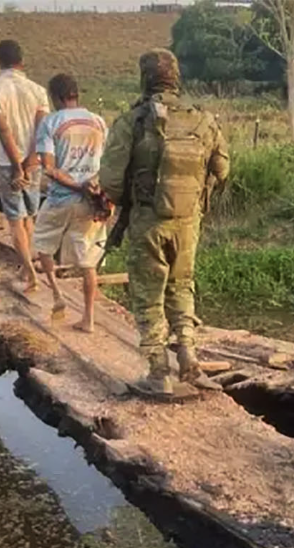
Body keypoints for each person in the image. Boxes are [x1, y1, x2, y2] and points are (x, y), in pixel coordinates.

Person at [99, 48, 229, 396]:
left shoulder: (133, 121)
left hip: (148, 219)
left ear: (144, 78)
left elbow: (110, 181)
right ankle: (188, 360)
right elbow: (223, 168)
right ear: (177, 78)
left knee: (147, 293)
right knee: (182, 285)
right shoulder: (202, 120)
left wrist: (130, 196)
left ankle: (159, 372)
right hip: (188, 221)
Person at [34, 73, 108, 333]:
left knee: (42, 243)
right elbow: (106, 163)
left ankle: (56, 295)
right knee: (88, 261)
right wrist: (92, 188)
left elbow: (50, 168)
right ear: (76, 94)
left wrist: (76, 185)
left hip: (59, 199)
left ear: (56, 97)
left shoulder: (50, 123)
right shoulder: (98, 122)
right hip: (91, 203)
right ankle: (88, 318)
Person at [0, 39, 50, 292]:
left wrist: (16, 166)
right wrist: (31, 160)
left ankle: (29, 272)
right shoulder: (38, 90)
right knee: (29, 216)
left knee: (14, 219)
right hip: (34, 163)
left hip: (7, 163)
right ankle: (27, 264)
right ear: (22, 61)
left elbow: (3, 128)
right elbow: (42, 128)